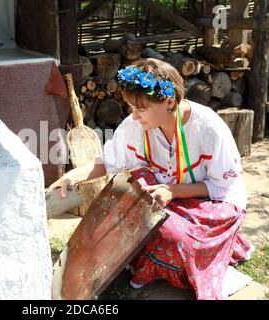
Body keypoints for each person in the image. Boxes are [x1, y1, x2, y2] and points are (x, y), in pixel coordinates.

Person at [47, 58, 254, 300]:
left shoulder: (208, 128)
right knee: (132, 193)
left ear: (169, 102)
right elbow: (106, 162)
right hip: (165, 196)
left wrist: (172, 191)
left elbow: (222, 185)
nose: (134, 117)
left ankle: (219, 246)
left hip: (211, 201)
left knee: (171, 238)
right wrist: (71, 177)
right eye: (131, 108)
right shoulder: (136, 126)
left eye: (141, 109)